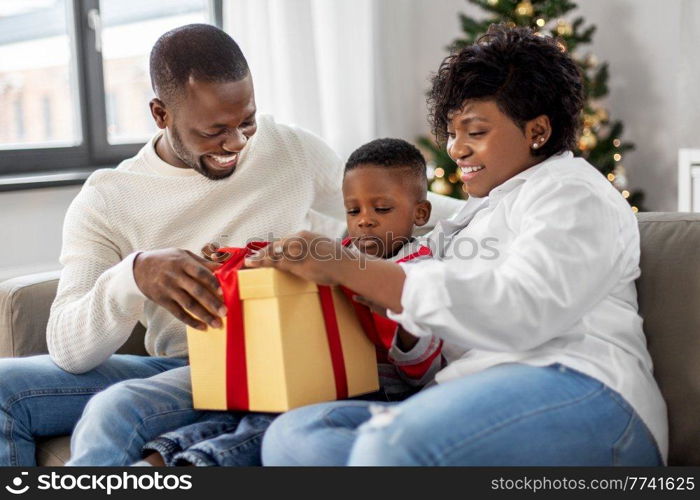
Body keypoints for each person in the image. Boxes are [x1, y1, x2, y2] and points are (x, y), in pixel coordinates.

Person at [0, 24, 463, 466]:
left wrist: (500, 213)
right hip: (180, 365)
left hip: (276, 357)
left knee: (118, 409)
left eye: (247, 121)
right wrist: (133, 276)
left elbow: (398, 203)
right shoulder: (108, 199)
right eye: (213, 131)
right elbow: (68, 349)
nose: (237, 143)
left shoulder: (288, 149)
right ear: (160, 114)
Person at [255, 24, 668, 466]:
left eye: (475, 132)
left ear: (538, 131)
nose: (457, 150)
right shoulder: (469, 218)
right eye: (452, 132)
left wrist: (352, 269)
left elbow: (524, 309)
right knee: (294, 436)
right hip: (466, 392)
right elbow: (429, 330)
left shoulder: (572, 191)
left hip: (584, 388)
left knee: (390, 446)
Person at [134, 137, 446, 466]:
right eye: (353, 210)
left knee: (268, 423)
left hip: (381, 393)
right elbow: (300, 262)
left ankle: (198, 462)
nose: (364, 220)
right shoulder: (344, 254)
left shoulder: (420, 271)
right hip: (318, 379)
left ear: (420, 213)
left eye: (381, 209)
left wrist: (392, 307)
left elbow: (423, 373)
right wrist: (242, 258)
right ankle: (160, 458)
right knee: (239, 410)